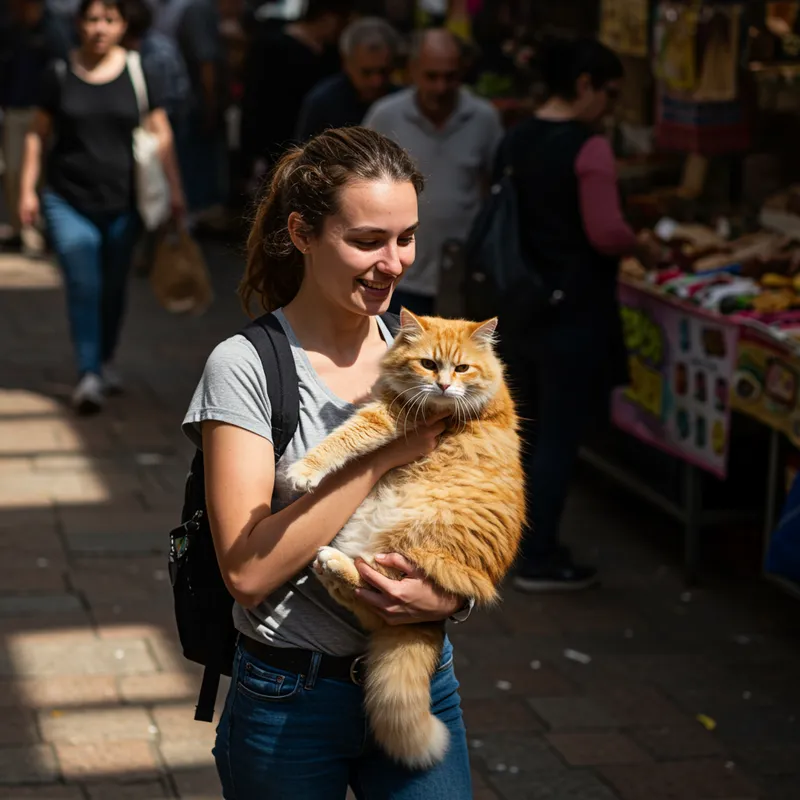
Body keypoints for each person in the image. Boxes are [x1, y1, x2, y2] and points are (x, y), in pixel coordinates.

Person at [183, 126, 474, 798]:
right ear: (303, 233)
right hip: (291, 696)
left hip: (420, 678)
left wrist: (450, 597)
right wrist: (379, 460)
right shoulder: (247, 366)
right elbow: (248, 570)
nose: (396, 262)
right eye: (368, 240)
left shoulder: (433, 356)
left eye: (406, 237)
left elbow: (475, 513)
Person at [501, 37, 662, 592]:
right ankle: (539, 555)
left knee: (526, 431)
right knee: (558, 440)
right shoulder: (588, 147)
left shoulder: (517, 137)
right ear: (586, 84)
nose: (611, 105)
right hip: (574, 313)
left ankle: (508, 541)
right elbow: (606, 231)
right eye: (610, 92)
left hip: (521, 304)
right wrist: (643, 247)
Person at [18, 0, 185, 413]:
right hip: (66, 199)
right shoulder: (58, 72)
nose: (99, 28)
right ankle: (88, 372)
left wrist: (176, 191)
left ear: (123, 25)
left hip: (125, 202)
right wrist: (26, 190)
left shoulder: (139, 71)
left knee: (112, 287)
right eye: (92, 19)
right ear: (78, 23)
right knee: (83, 283)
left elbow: (160, 131)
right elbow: (37, 135)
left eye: (109, 20)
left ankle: (105, 358)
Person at [364, 28, 503, 316]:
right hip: (398, 274)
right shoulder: (384, 116)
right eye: (431, 76)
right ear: (412, 71)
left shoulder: (483, 118)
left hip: (465, 276)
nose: (440, 87)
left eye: (449, 77)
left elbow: (494, 188)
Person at [239, 0, 351, 191]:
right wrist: (252, 153)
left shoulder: (332, 53)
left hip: (318, 145)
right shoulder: (272, 46)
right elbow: (254, 102)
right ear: (328, 18)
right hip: (277, 143)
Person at [0, 0, 70, 252]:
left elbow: (63, 71)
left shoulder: (54, 30)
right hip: (15, 110)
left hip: (45, 113)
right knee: (14, 172)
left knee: (41, 175)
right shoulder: (11, 28)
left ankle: (42, 230)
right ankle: (23, 230)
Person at [295, 16, 401, 141]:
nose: (376, 81)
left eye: (384, 72)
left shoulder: (403, 102)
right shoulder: (323, 102)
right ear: (346, 63)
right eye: (366, 72)